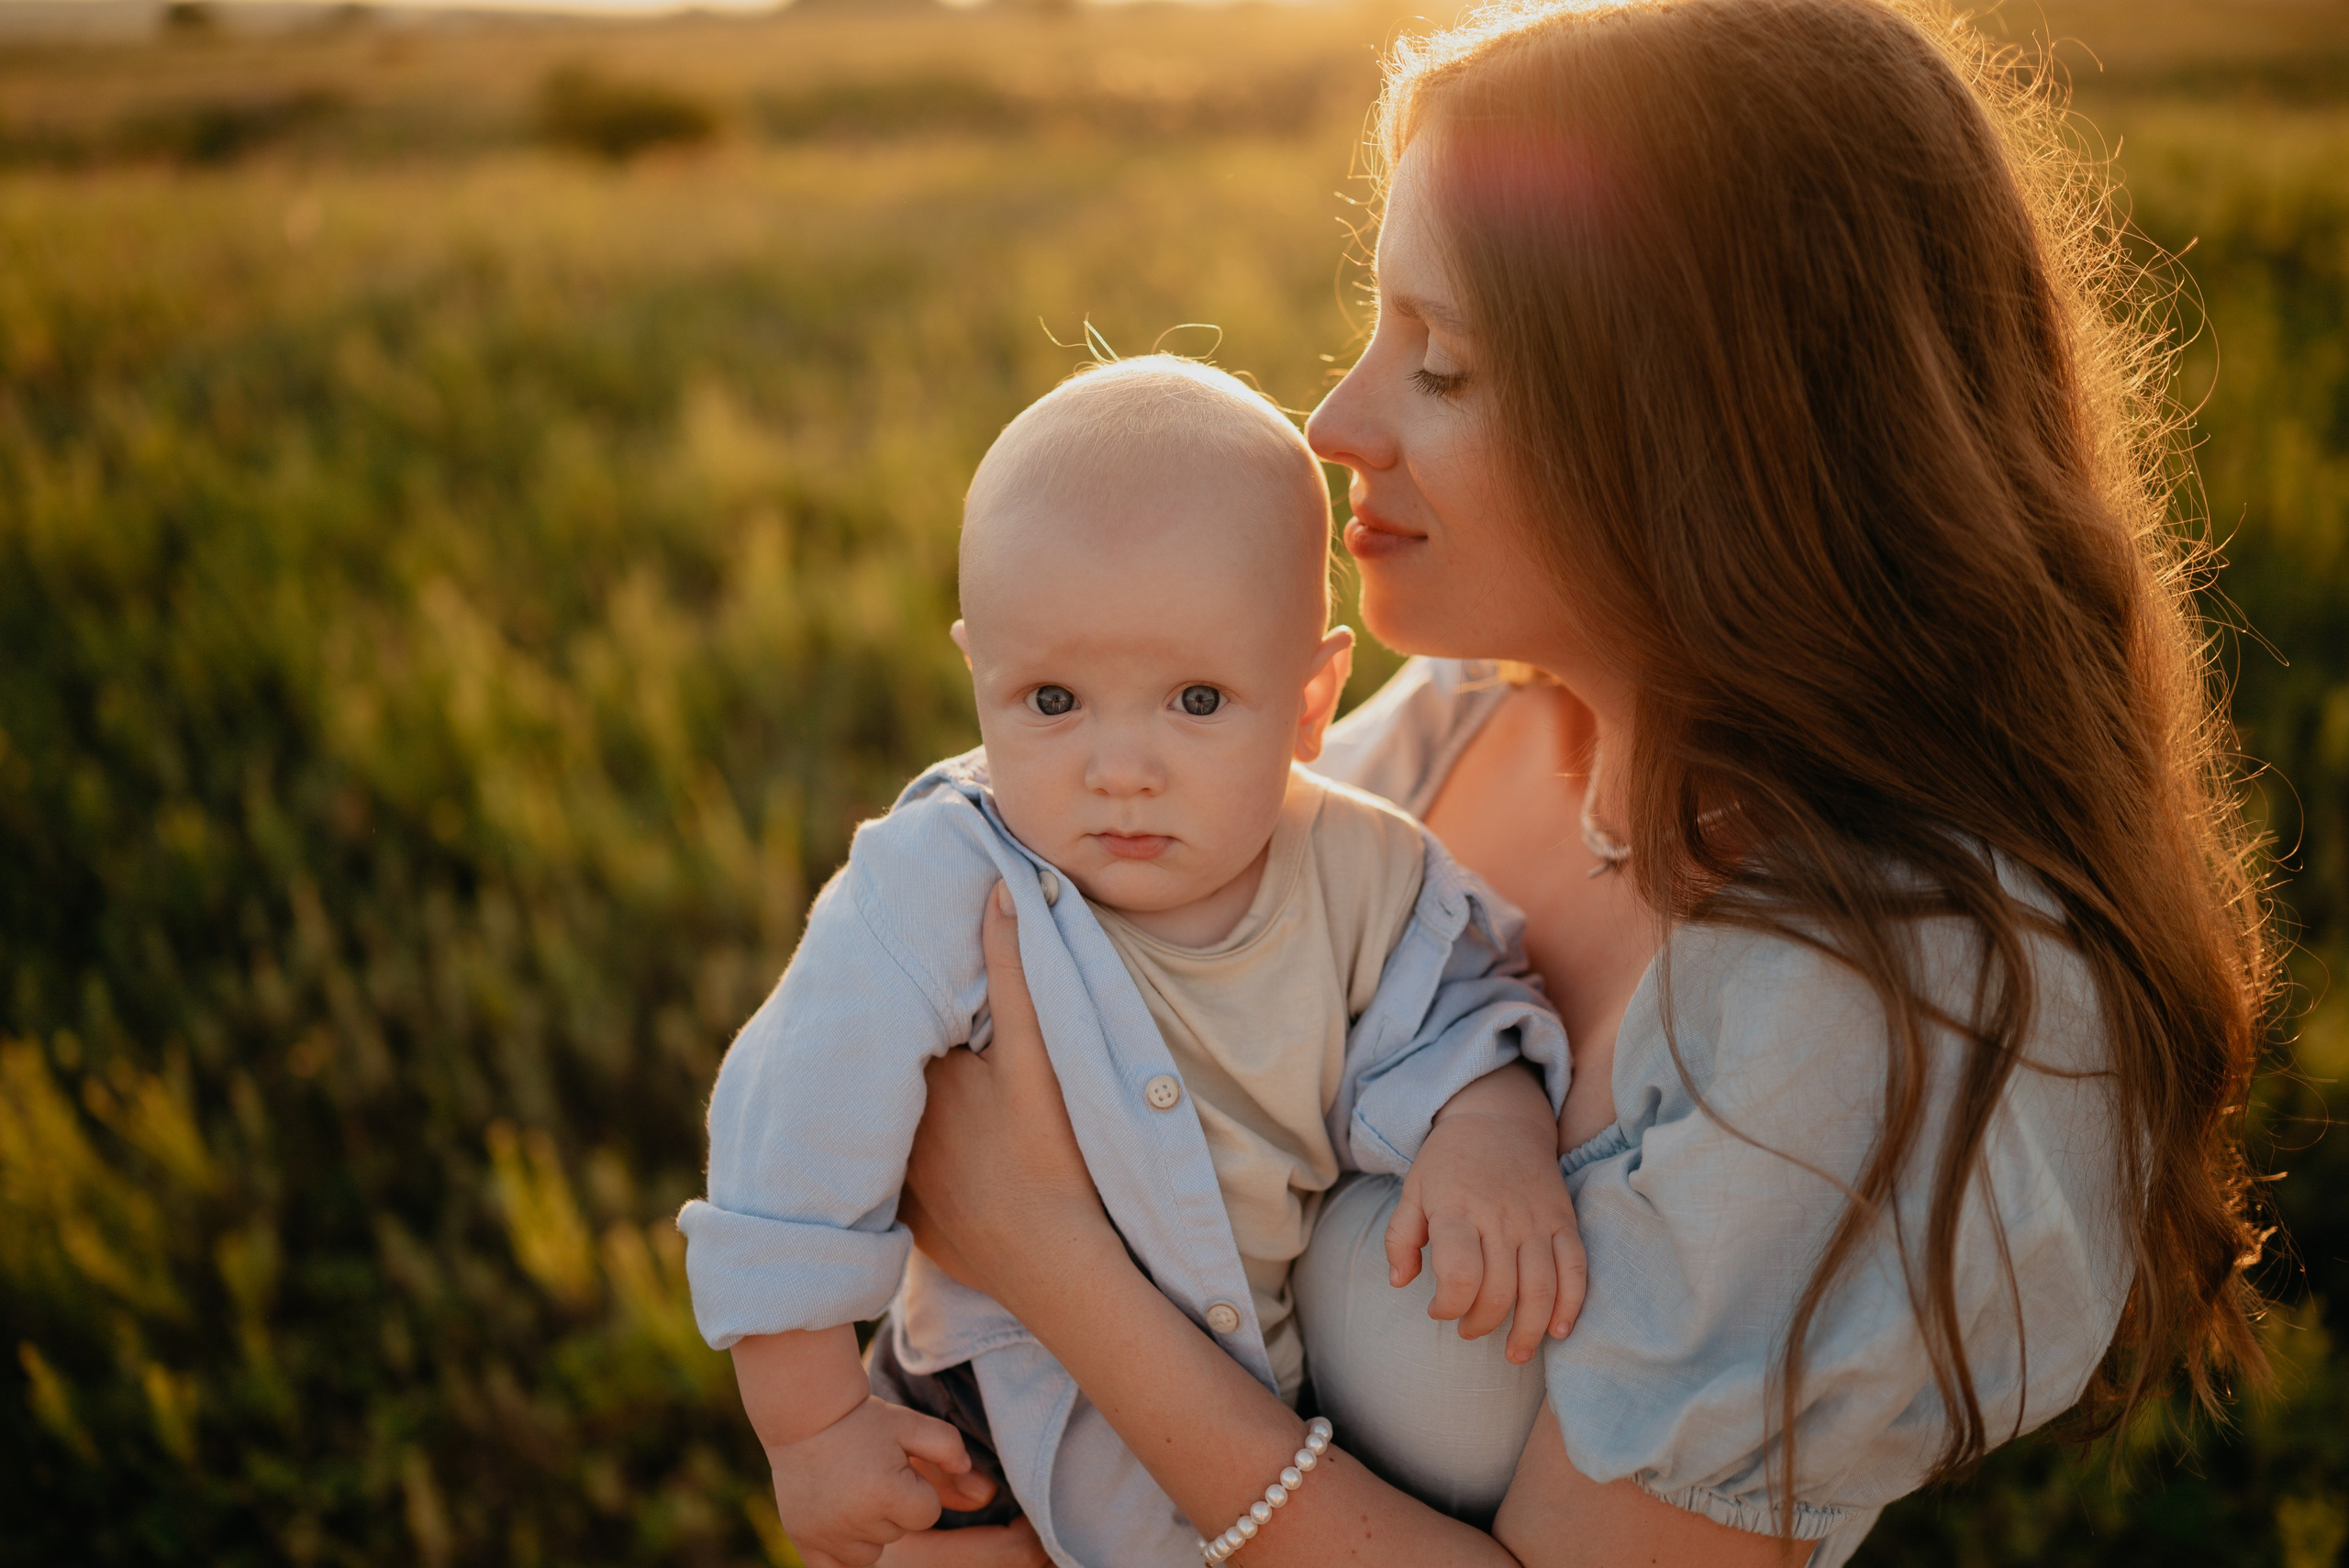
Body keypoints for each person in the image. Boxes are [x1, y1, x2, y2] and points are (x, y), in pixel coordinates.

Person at [889, 1, 2276, 1564]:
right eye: (1376, 329)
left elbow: (1019, 1176)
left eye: (1447, 364)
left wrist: (1045, 1260)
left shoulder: (1878, 1006)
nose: (1336, 424)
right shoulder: (1469, 720)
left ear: (1710, 430)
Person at [676, 355, 1584, 1568]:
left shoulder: (1368, 871)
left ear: (1313, 698)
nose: (1121, 766)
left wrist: (1489, 1129)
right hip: (986, 1415)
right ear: (975, 677)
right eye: (1052, 699)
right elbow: (792, 1123)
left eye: (1197, 700)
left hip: (1234, 1416)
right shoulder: (944, 875)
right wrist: (815, 1424)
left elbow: (1458, 1004)